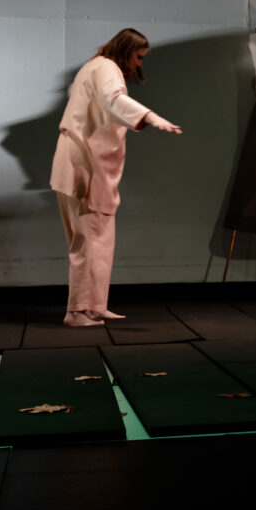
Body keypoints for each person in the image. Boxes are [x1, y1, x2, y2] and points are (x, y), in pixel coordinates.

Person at [50, 28, 182, 327]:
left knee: (99, 237)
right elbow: (114, 99)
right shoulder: (106, 68)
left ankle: (94, 305)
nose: (138, 64)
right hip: (84, 163)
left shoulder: (95, 66)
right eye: (138, 57)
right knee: (87, 238)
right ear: (125, 50)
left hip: (87, 162)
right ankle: (77, 311)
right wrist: (151, 117)